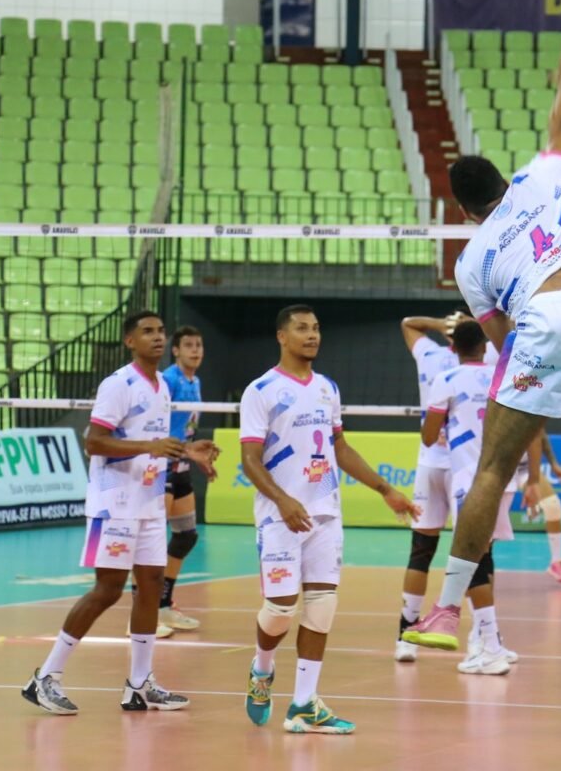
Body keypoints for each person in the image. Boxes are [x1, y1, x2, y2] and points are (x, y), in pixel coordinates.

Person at [404, 35, 561, 698]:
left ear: (463, 210)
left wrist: (537, 389)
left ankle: (448, 607)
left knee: (491, 465)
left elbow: (499, 338)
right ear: (504, 180)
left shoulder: (471, 259)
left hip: (548, 315)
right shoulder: (539, 177)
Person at [22, 310, 219, 715]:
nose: (157, 337)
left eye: (161, 331)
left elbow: (156, 441)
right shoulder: (118, 384)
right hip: (113, 502)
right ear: (130, 341)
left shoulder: (163, 385)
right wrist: (152, 447)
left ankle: (140, 684)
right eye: (147, 332)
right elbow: (94, 442)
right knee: (108, 589)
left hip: (148, 500)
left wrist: (187, 451)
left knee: (150, 584)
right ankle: (45, 677)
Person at [240, 304, 419, 734]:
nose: (312, 335)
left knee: (322, 607)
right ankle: (262, 669)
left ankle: (303, 703)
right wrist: (282, 500)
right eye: (302, 328)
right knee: (281, 609)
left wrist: (385, 489)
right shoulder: (260, 390)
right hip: (280, 516)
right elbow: (249, 458)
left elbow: (339, 447)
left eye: (316, 328)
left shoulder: (327, 387)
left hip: (324, 513)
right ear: (282, 336)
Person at [420, 320, 519, 675]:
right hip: (504, 478)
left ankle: (489, 646)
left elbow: (429, 437)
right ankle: (486, 641)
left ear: (454, 349)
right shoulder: (499, 377)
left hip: (470, 483)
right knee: (484, 556)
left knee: (470, 559)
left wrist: (442, 421)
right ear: (483, 346)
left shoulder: (446, 380)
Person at [395, 312, 477, 663]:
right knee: (477, 553)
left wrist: (440, 323)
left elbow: (407, 323)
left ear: (449, 338)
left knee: (421, 550)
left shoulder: (429, 354)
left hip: (429, 462)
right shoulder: (484, 358)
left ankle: (404, 636)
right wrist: (471, 321)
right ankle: (484, 636)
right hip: (465, 466)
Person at [157, 325, 205, 634]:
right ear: (175, 350)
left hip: (182, 461)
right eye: (188, 345)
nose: (195, 350)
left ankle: (164, 605)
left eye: (199, 345)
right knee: (151, 539)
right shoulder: (168, 380)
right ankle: (142, 613)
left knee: (186, 535)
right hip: (162, 463)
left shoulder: (195, 380)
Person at [523, 426, 561, 584]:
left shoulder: (531, 407)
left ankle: (556, 562)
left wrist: (553, 464)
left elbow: (540, 434)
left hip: (523, 468)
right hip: (498, 467)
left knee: (552, 505)